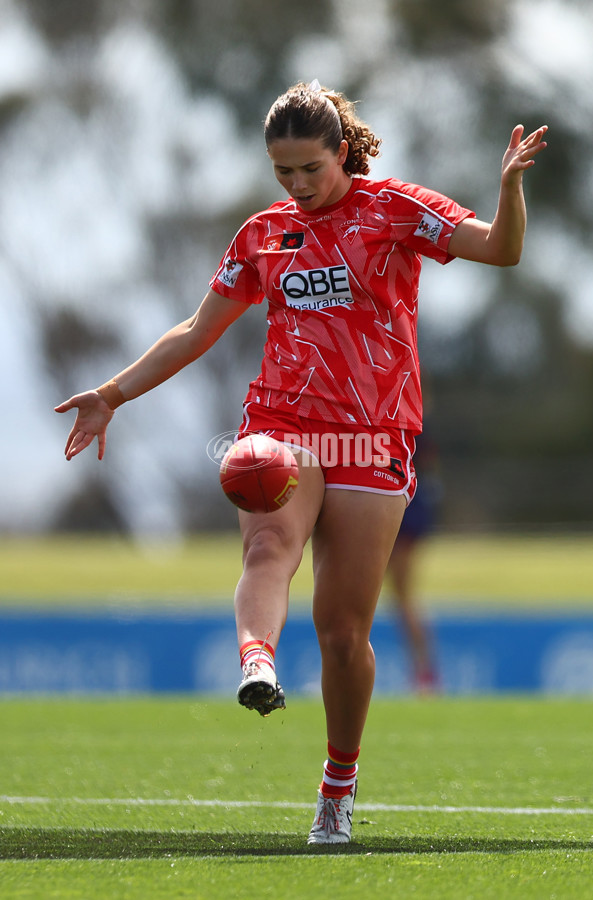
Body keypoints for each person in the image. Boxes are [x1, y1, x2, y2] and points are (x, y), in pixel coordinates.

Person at [55, 80, 547, 844]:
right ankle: (257, 661)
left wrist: (509, 188)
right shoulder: (261, 234)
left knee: (344, 631)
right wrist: (113, 394)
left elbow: (501, 250)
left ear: (342, 153)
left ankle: (337, 789)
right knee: (268, 544)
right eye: (281, 172)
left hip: (373, 436)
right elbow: (196, 329)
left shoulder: (394, 209)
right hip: (282, 424)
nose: (294, 184)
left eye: (308, 169)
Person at [386, 428, 442, 693]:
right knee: (401, 598)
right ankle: (424, 675)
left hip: (398, 499)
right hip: (401, 497)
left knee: (402, 597)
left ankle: (425, 675)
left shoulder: (406, 421)